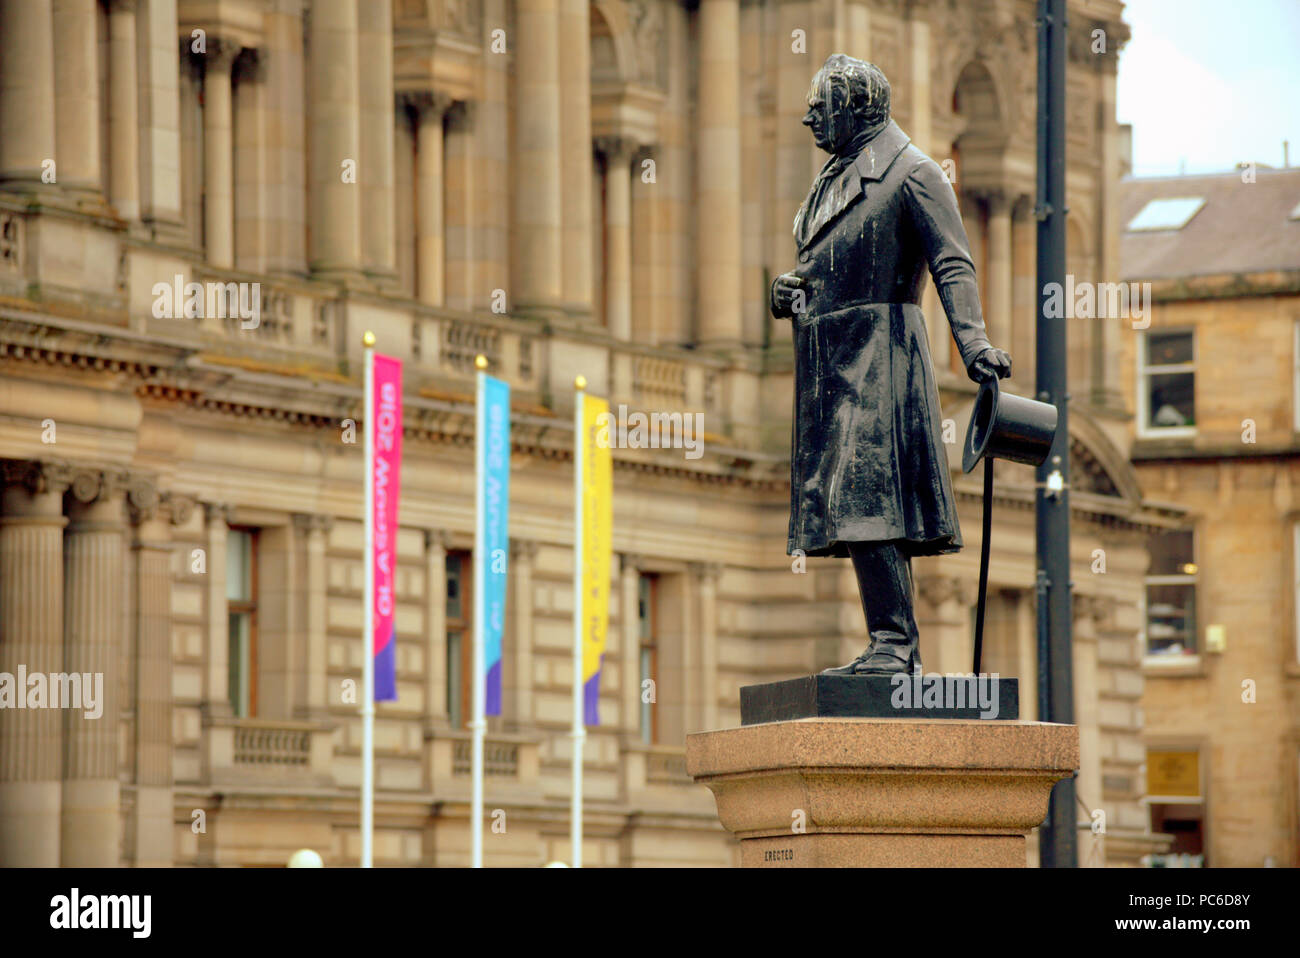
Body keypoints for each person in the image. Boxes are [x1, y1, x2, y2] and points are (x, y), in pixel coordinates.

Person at [770, 54, 1012, 675]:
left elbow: (951, 262)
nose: (807, 118)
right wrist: (793, 290)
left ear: (856, 108)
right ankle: (890, 640)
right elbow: (831, 260)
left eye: (820, 107)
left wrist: (975, 343)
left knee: (870, 496)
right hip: (831, 355)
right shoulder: (831, 178)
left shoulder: (913, 173)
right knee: (850, 506)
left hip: (882, 351)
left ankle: (896, 645)